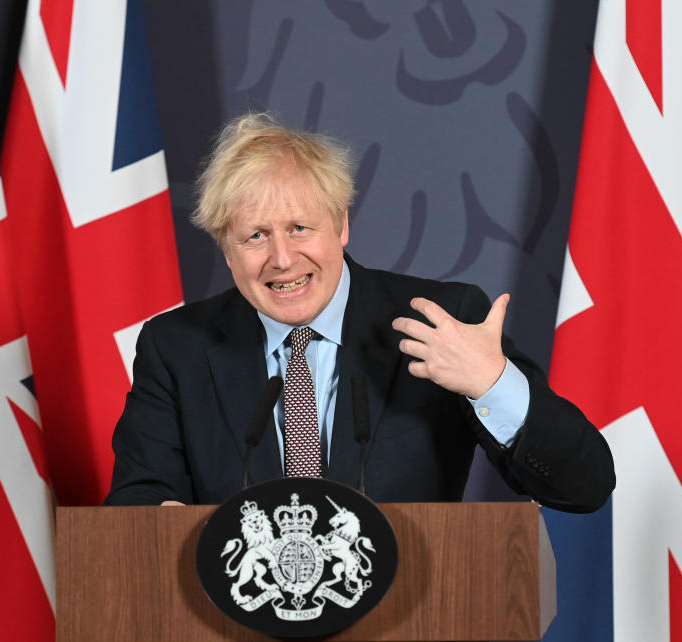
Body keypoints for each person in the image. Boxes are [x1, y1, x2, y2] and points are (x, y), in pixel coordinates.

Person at [104, 113, 614, 512]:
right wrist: (160, 522)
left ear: (341, 225)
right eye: (256, 235)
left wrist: (492, 382)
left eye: (300, 228)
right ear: (226, 248)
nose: (282, 259)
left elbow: (583, 486)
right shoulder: (176, 347)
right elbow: (138, 500)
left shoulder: (443, 321)